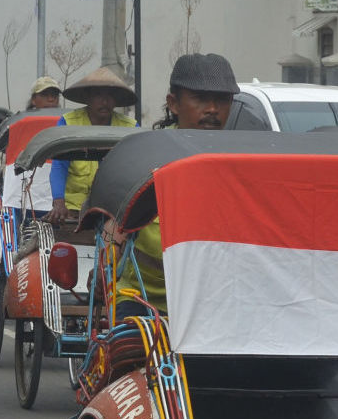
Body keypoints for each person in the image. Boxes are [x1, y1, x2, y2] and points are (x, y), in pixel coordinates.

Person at [112, 53, 238, 320]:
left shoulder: (239, 166)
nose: (213, 109)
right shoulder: (144, 157)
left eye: (222, 100)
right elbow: (114, 223)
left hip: (213, 301)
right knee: (132, 356)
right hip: (142, 301)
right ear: (174, 103)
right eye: (201, 98)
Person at [48, 67, 138, 225]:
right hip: (73, 210)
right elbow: (59, 166)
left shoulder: (130, 127)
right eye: (98, 95)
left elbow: (139, 170)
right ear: (87, 97)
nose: (105, 101)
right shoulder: (68, 123)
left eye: (110, 96)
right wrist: (59, 202)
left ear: (116, 100)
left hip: (114, 211)